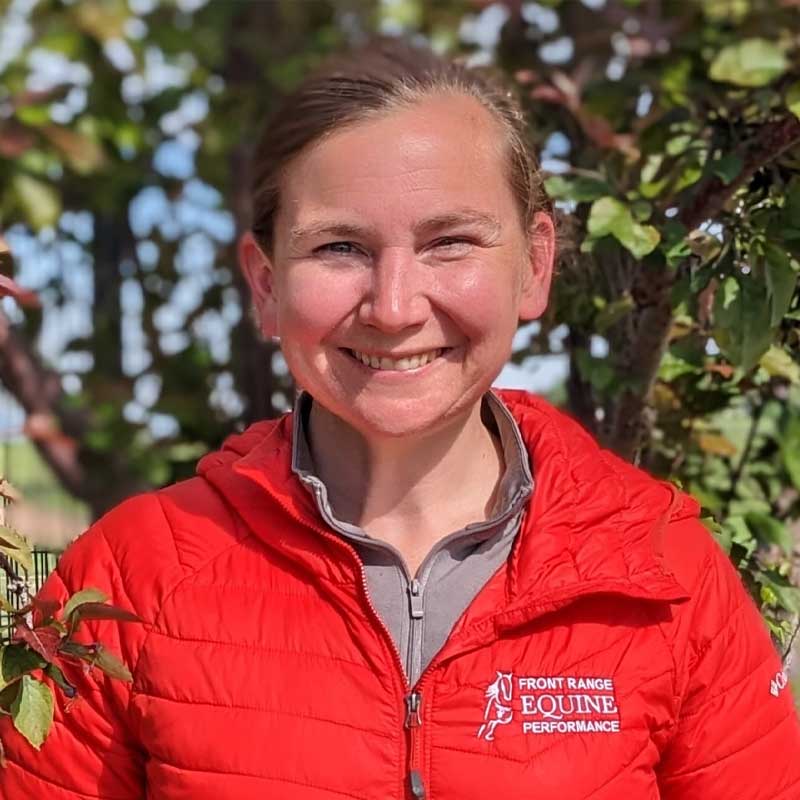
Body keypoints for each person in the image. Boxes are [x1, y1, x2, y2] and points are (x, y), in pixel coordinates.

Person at [2, 38, 799, 800]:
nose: (392, 308)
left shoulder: (663, 573)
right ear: (266, 285)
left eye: (450, 242)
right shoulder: (128, 579)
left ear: (535, 264)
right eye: (340, 248)